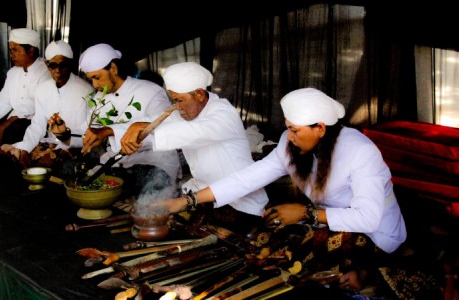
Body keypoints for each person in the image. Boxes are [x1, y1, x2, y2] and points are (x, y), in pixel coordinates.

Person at [151, 87, 407, 292]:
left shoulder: (360, 151)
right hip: (325, 219)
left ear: (320, 128)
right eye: (288, 128)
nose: (290, 137)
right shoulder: (290, 143)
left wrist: (306, 214)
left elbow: (368, 217)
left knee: (308, 251)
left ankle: (364, 270)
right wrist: (187, 202)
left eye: (295, 130)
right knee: (273, 236)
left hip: (372, 232)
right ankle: (340, 267)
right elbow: (248, 178)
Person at [120, 62, 269, 236]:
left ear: (199, 94)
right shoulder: (183, 112)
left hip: (240, 204)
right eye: (173, 100)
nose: (176, 106)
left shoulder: (224, 113)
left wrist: (145, 128)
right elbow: (155, 122)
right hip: (205, 197)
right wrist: (111, 131)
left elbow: (194, 132)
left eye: (179, 100)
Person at [78, 43, 180, 197]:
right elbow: (88, 131)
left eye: (96, 77)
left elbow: (166, 123)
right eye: (91, 79)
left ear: (113, 68)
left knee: (145, 201)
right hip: (117, 163)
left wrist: (110, 130)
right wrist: (64, 134)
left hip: (153, 164)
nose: (95, 85)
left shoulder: (149, 90)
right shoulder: (98, 99)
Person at [0, 40, 94, 173]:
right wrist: (26, 148)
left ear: (71, 64)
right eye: (53, 65)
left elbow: (87, 133)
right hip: (50, 143)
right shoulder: (42, 90)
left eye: (63, 65)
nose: (58, 71)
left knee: (57, 165)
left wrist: (61, 147)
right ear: (46, 64)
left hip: (75, 146)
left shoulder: (86, 90)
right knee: (8, 153)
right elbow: (38, 124)